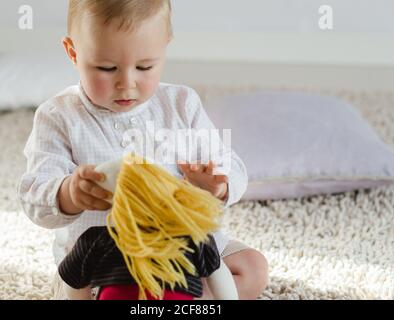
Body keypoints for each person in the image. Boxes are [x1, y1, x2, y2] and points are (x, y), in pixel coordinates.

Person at [18, 0, 268, 300]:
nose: (127, 83)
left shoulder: (181, 105)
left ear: (164, 47)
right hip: (103, 259)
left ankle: (174, 296)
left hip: (184, 248)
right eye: (106, 68)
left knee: (252, 268)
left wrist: (218, 186)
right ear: (73, 52)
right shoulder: (58, 116)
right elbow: (34, 196)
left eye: (145, 67)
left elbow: (231, 165)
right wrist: (69, 194)